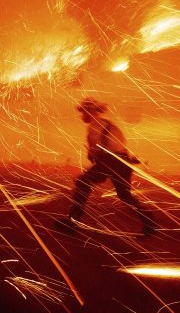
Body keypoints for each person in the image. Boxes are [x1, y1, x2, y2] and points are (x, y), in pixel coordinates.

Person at [57, 98, 156, 235]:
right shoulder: (109, 124)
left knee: (82, 183)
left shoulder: (94, 125)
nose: (82, 115)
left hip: (110, 161)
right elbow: (119, 144)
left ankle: (73, 221)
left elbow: (97, 148)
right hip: (122, 161)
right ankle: (150, 223)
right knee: (124, 195)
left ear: (90, 111)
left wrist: (92, 154)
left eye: (84, 111)